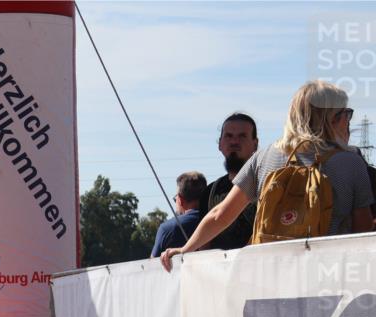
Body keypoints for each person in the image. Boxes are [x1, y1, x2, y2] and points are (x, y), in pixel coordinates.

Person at [161, 80, 374, 271]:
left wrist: (185, 249)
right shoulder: (351, 163)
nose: (348, 121)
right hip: (326, 275)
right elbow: (362, 231)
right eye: (346, 114)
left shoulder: (264, 157)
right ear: (333, 118)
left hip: (271, 275)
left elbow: (221, 214)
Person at [200, 113, 259, 250]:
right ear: (220, 144)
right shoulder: (210, 193)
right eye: (229, 136)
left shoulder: (266, 185)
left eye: (242, 136)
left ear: (255, 144)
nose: (234, 142)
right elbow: (204, 246)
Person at [150, 172, 207, 258]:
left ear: (180, 200)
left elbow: (152, 266)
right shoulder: (221, 219)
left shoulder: (166, 229)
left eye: (175, 199)